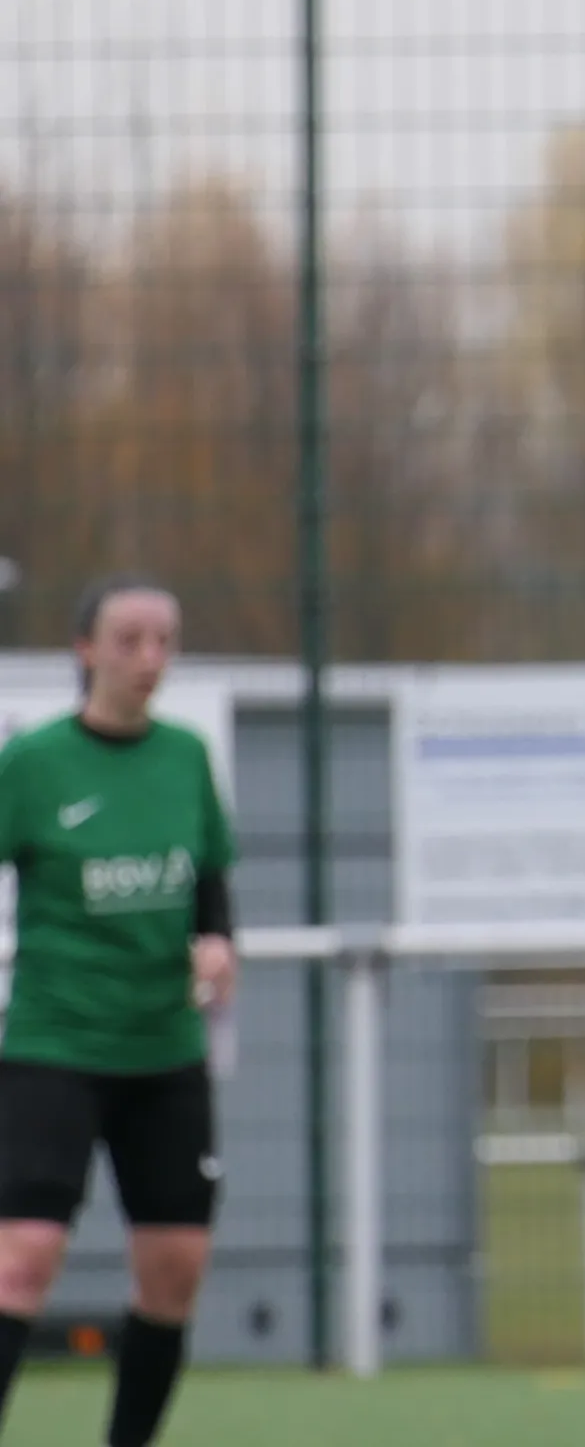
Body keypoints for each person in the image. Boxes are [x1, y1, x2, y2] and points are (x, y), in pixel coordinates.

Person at [0, 575, 237, 1446]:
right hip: (55, 1045)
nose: (149, 657)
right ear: (85, 649)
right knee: (23, 1257)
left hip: (164, 1051)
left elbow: (209, 879)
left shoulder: (185, 756)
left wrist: (216, 942)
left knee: (176, 1270)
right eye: (130, 639)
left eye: (164, 640)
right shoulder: (34, 763)